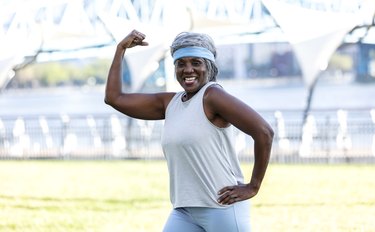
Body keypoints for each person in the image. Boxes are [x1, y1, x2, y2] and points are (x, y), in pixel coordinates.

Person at [105, 29, 274, 232]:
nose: (188, 70)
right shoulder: (170, 103)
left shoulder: (212, 95)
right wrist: (120, 49)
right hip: (184, 211)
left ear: (208, 67)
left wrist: (253, 186)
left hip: (221, 208)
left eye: (196, 63)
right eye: (181, 63)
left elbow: (264, 132)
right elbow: (114, 98)